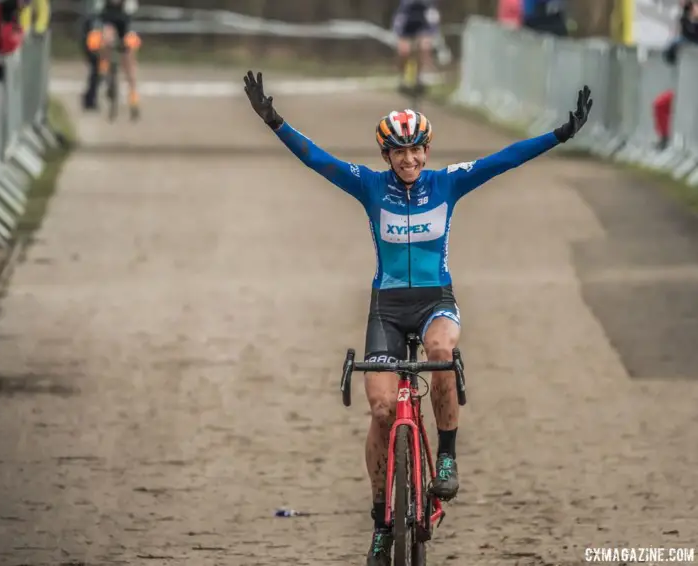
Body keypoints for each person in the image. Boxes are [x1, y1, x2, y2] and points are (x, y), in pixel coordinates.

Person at [243, 70, 592, 566]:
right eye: (399, 152)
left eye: (417, 150)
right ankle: (382, 523)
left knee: (441, 353)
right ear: (387, 156)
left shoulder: (446, 183)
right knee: (383, 411)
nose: (409, 160)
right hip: (387, 307)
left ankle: (445, 452)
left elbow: (504, 160)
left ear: (426, 151)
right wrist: (275, 121)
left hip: (434, 302)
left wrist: (560, 134)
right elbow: (317, 159)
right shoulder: (368, 185)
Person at [82, 0, 141, 117]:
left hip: (124, 26)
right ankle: (104, 69)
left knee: (129, 58)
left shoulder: (128, 5)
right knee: (106, 39)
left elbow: (129, 22)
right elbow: (98, 17)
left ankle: (133, 96)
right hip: (107, 25)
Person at [653, 0, 698, 150]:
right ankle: (665, 140)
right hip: (688, 85)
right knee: (661, 104)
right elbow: (670, 55)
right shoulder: (685, 21)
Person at [391, 0, 441, 93]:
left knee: (424, 46)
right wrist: (399, 34)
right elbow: (399, 18)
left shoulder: (429, 4)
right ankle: (402, 76)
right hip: (406, 21)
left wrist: (432, 33)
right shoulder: (405, 5)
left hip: (424, 21)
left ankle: (421, 75)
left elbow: (433, 18)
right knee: (404, 51)